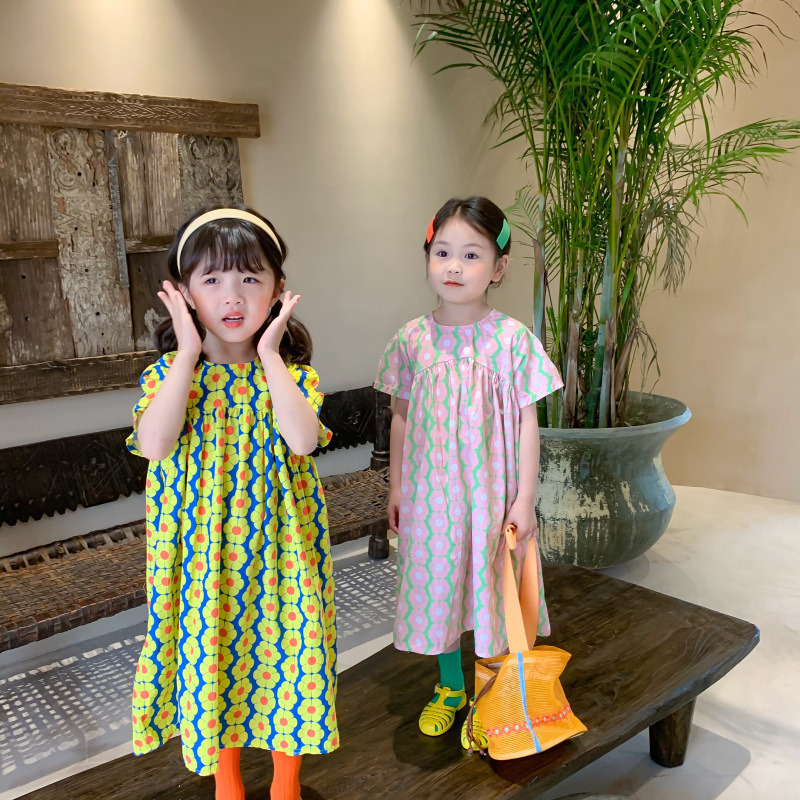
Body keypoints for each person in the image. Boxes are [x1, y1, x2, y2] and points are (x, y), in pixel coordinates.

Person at [127, 206, 337, 800]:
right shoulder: (169, 377)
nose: (233, 296)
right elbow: (154, 444)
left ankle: (286, 787)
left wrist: (270, 355)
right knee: (212, 664)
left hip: (283, 557)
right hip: (201, 563)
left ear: (277, 290)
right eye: (212, 279)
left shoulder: (292, 376)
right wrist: (187, 353)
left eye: (250, 277)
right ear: (184, 293)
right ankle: (228, 787)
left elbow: (302, 440)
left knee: (289, 659)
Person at [374, 196, 563, 749]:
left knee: (492, 589)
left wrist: (524, 498)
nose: (454, 266)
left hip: (492, 495)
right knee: (440, 587)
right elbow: (400, 418)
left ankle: (491, 694)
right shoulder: (411, 340)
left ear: (498, 268)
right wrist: (397, 486)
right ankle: (451, 686)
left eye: (471, 255)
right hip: (432, 497)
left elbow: (528, 422)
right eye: (443, 253)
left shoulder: (512, 340)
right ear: (427, 259)